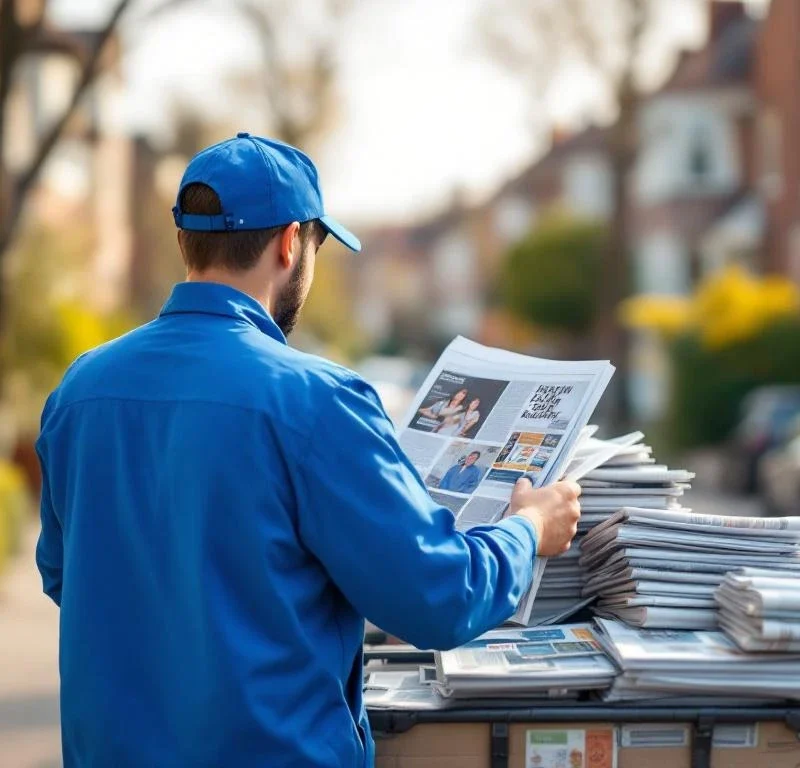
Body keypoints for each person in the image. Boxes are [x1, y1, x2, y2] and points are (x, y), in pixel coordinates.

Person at [35, 133, 582, 768]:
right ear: (290, 244)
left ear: (186, 242)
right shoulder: (318, 401)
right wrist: (528, 529)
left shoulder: (79, 390)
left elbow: (65, 575)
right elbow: (440, 597)